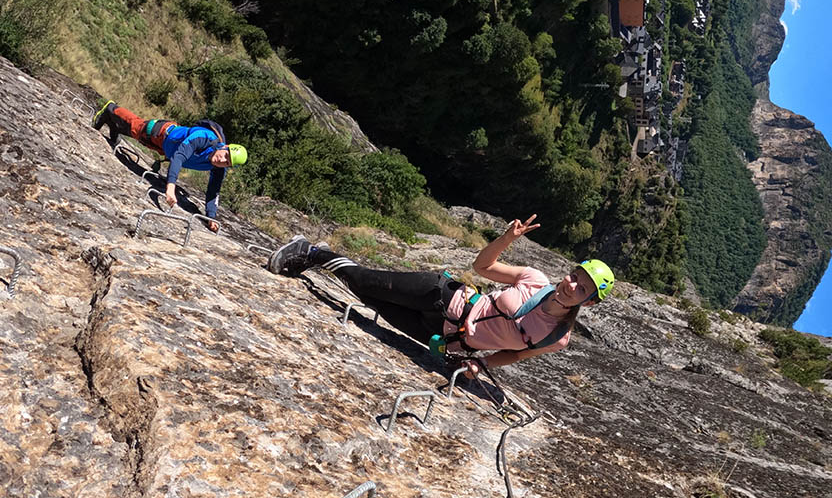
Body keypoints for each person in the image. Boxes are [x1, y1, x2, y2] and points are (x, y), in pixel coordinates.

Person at [265, 214, 614, 374]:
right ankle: (311, 251)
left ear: (589, 301)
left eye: (582, 288)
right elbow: (483, 267)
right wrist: (508, 239)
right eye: (574, 276)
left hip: (443, 338)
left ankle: (323, 256)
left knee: (372, 302)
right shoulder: (535, 279)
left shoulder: (557, 337)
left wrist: (480, 363)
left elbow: (516, 355)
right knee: (364, 284)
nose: (571, 285)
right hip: (443, 296)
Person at [92, 101, 248, 232]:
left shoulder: (219, 167)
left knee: (135, 135)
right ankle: (110, 108)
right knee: (136, 127)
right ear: (224, 147)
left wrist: (211, 217)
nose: (222, 160)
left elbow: (214, 191)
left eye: (227, 162)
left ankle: (112, 125)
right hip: (162, 133)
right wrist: (170, 187)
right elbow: (180, 156)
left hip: (165, 149)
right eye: (225, 155)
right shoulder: (205, 138)